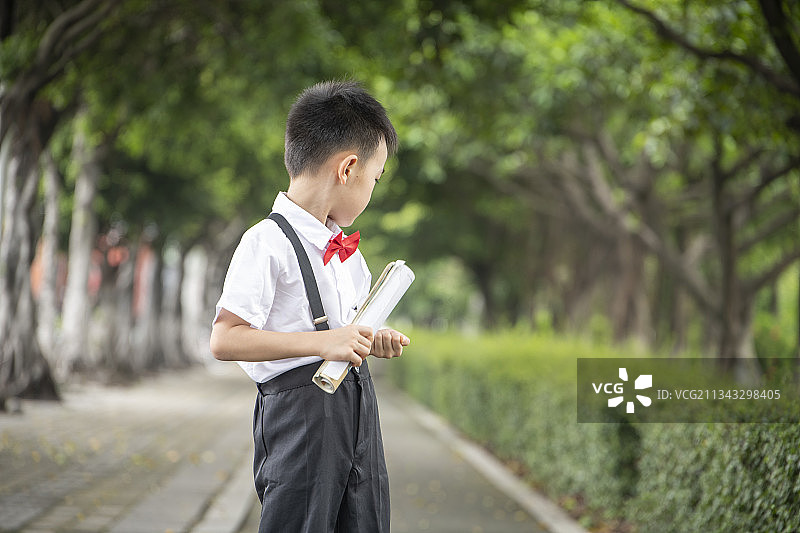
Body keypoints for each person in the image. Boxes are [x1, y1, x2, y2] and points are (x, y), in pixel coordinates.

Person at [209, 80, 408, 533]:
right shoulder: (266, 241)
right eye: (375, 179)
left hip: (357, 413)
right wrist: (326, 342)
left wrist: (369, 340)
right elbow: (225, 338)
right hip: (300, 421)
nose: (372, 191)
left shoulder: (350, 254)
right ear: (348, 168)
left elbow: (343, 336)